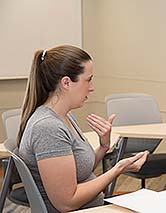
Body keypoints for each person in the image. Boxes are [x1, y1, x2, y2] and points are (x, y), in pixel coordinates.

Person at [16, 45, 149, 212]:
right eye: (88, 79)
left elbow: (79, 171)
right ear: (66, 83)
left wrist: (103, 146)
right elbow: (67, 202)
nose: (92, 87)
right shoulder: (48, 128)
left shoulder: (65, 117)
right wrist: (117, 169)